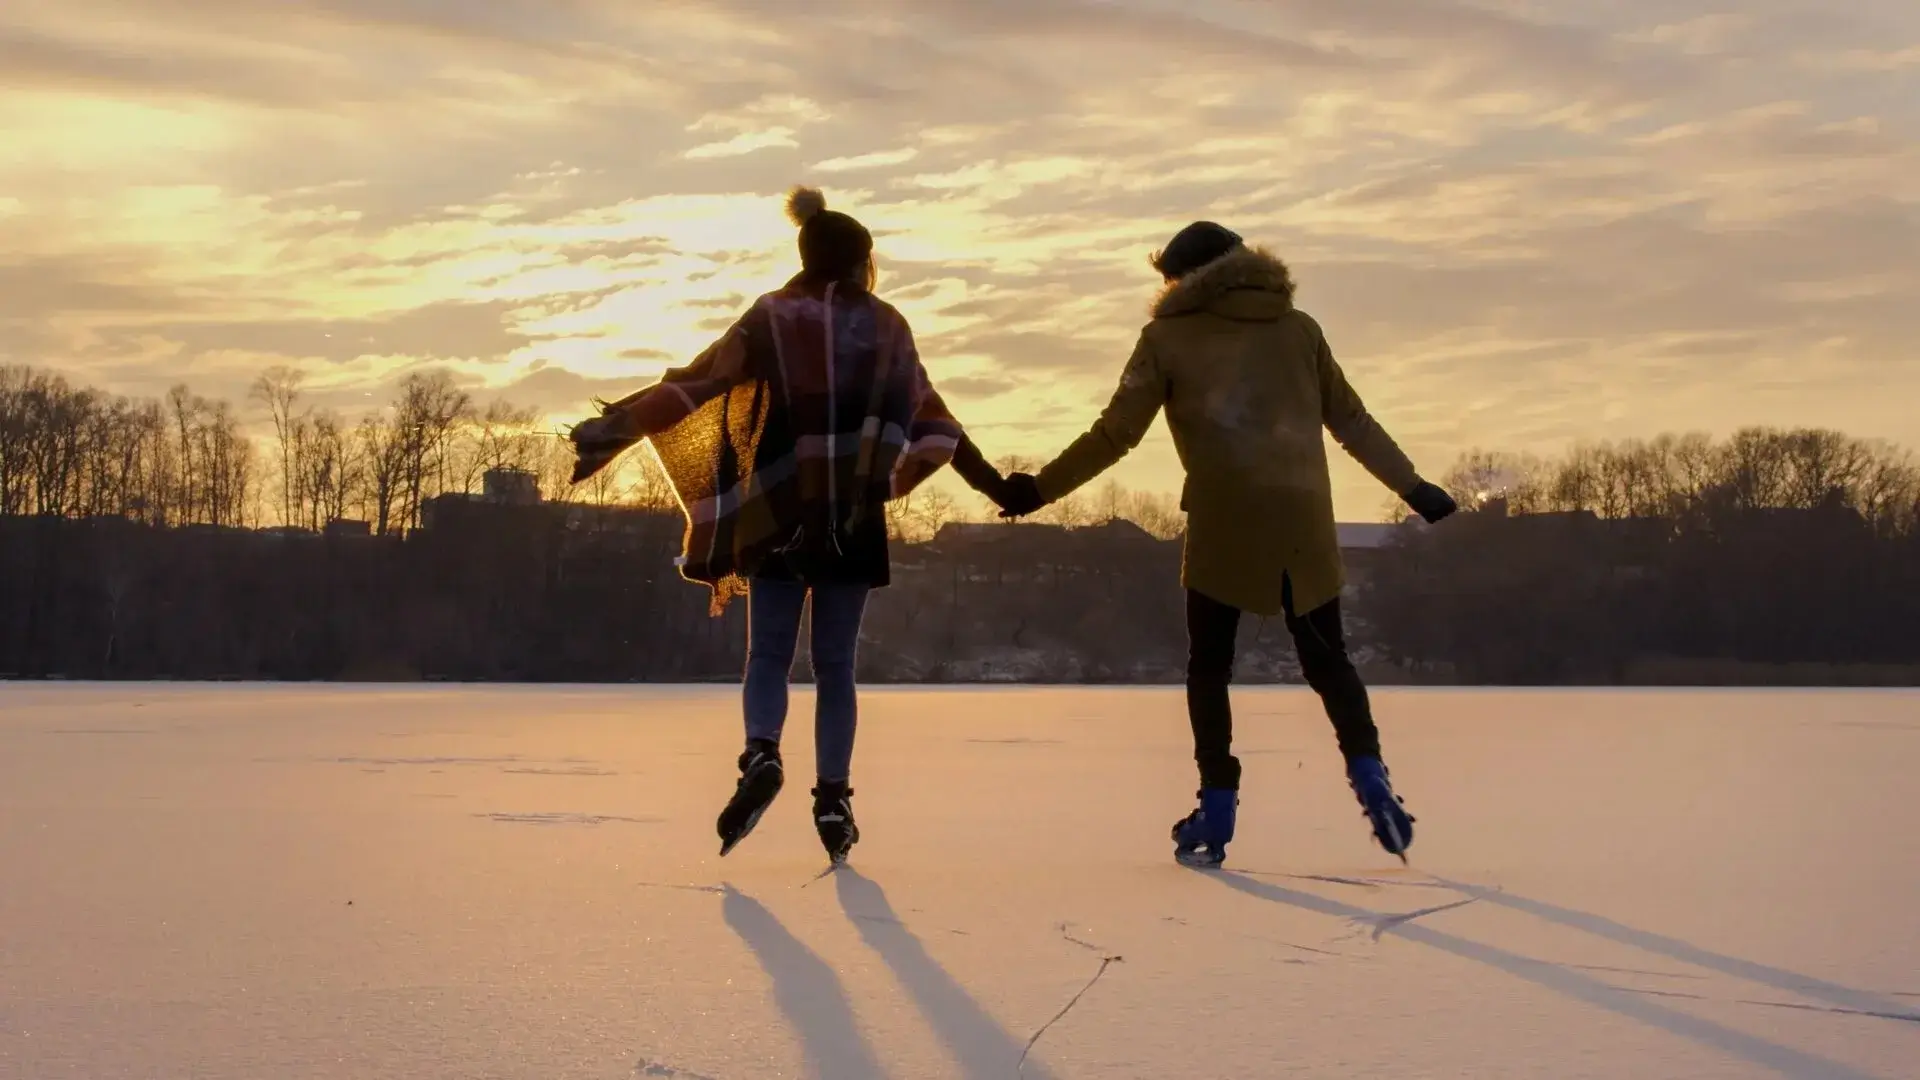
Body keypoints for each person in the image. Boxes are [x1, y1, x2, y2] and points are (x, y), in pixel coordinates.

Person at [568, 187, 1008, 863]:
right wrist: (998, 486)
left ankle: (761, 756)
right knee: (836, 667)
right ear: (864, 262)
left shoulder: (771, 318)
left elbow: (698, 381)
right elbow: (934, 417)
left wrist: (618, 428)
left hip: (780, 510)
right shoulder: (887, 325)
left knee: (768, 654)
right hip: (851, 518)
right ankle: (833, 800)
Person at [998, 222, 1457, 867]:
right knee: (1330, 663)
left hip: (1223, 521)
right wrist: (1415, 489)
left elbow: (1115, 434)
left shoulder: (1167, 338)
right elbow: (1352, 421)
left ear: (1182, 279)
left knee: (1210, 668)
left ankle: (1217, 801)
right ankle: (1368, 771)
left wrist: (1038, 491)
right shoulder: (1299, 331)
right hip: (1302, 523)